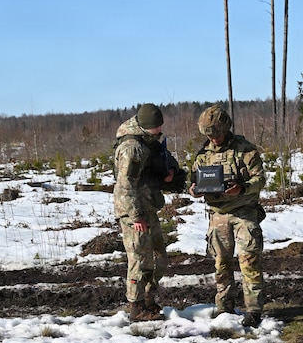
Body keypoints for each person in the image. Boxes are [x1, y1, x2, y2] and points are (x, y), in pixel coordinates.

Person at [189, 105, 266, 327]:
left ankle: (254, 311)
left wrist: (242, 189)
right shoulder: (203, 155)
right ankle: (225, 308)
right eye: (209, 135)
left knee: (249, 262)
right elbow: (193, 182)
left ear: (226, 129)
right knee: (221, 264)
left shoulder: (245, 150)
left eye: (217, 134)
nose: (213, 139)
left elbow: (260, 179)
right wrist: (194, 190)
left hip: (244, 213)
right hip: (218, 215)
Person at [113, 103, 184, 321]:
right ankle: (136, 307)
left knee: (159, 257)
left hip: (148, 207)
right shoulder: (132, 148)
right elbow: (125, 186)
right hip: (134, 212)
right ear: (147, 126)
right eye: (157, 127)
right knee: (140, 259)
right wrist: (136, 217)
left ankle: (148, 298)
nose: (160, 130)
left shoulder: (148, 141)